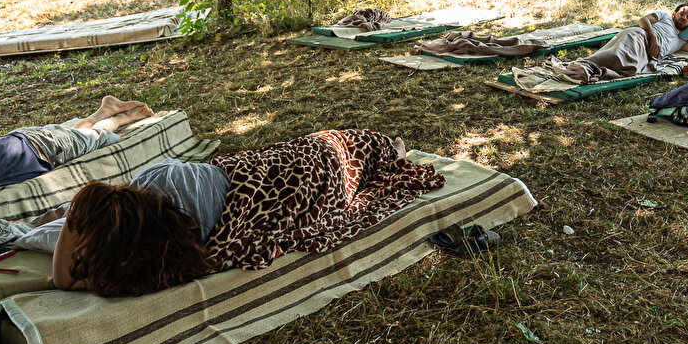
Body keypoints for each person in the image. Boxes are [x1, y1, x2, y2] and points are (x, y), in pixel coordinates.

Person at [52, 129, 445, 297]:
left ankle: (389, 152)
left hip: (261, 173)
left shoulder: (148, 264)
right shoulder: (159, 189)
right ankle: (391, 151)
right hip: (287, 171)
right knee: (336, 147)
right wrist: (78, 210)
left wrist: (76, 215)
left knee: (324, 150)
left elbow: (61, 279)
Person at [0, 96, 154, 196]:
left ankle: (121, 118)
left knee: (100, 136)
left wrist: (120, 121)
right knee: (74, 136)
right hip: (29, 142)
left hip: (43, 147)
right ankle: (106, 110)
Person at [548, 4, 688, 84]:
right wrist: (653, 37)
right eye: (682, 13)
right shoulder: (664, 17)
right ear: (674, 14)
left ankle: (586, 69)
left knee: (630, 67)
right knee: (616, 54)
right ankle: (581, 67)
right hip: (640, 37)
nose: (684, 17)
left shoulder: (681, 41)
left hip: (647, 55)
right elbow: (643, 20)